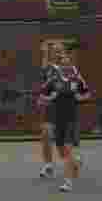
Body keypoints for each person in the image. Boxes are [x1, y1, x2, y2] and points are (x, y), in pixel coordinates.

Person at [40, 48, 91, 192]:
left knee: (68, 149)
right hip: (57, 119)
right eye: (63, 65)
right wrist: (50, 97)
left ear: (71, 66)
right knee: (62, 151)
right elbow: (42, 97)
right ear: (60, 67)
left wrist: (79, 97)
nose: (65, 67)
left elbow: (87, 94)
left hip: (71, 119)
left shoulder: (76, 79)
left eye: (67, 64)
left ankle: (67, 182)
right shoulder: (53, 80)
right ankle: (75, 163)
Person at [37, 43, 64, 179]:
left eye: (60, 51)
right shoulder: (46, 70)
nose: (58, 54)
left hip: (65, 108)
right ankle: (48, 165)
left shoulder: (68, 69)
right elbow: (42, 89)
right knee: (46, 135)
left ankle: (74, 160)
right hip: (50, 108)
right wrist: (41, 98)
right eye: (55, 51)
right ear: (51, 54)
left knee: (62, 142)